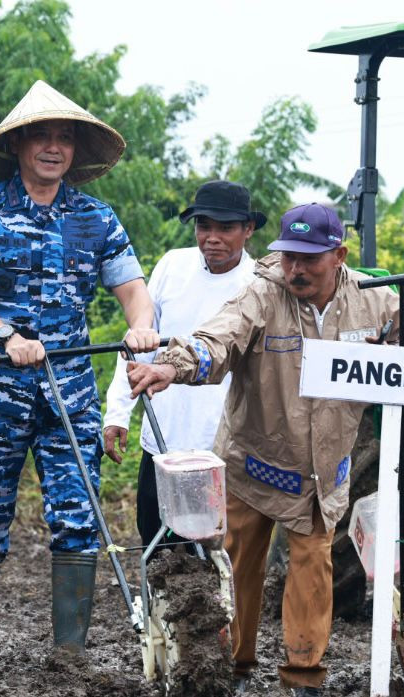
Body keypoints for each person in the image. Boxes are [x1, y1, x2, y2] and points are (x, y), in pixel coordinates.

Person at [126, 203, 404, 697]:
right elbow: (219, 336)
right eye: (288, 257)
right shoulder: (263, 293)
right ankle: (234, 668)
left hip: (326, 468)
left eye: (309, 259)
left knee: (312, 567)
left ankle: (304, 677)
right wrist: (173, 365)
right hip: (253, 462)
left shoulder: (376, 301)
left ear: (338, 255)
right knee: (239, 566)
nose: (296, 269)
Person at [0, 79, 158, 659]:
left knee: (78, 515)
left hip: (71, 395)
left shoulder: (95, 218)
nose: (53, 147)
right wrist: (8, 335)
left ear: (75, 151)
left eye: (64, 138)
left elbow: (135, 291)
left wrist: (140, 325)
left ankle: (70, 654)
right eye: (42, 136)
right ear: (17, 145)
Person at [103, 180, 259, 551]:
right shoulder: (173, 265)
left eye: (226, 228)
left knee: (219, 549)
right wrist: (117, 413)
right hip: (163, 439)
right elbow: (139, 342)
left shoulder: (258, 284)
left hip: (223, 447)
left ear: (248, 230)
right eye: (204, 226)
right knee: (157, 543)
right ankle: (159, 610)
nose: (213, 238)